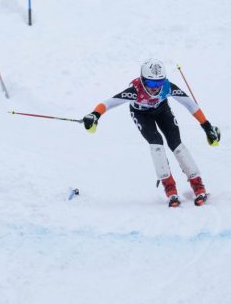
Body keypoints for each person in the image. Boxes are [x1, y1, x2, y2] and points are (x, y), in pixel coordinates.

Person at [82, 58, 221, 207]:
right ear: (142, 80)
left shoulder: (168, 87)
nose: (155, 88)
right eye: (151, 83)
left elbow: (190, 104)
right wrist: (95, 115)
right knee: (156, 144)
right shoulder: (135, 91)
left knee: (176, 143)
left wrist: (207, 126)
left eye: (159, 83)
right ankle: (170, 188)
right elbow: (109, 103)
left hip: (162, 110)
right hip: (141, 114)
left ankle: (198, 185)